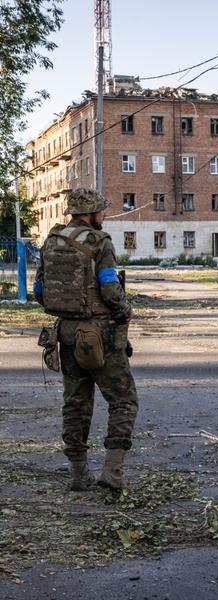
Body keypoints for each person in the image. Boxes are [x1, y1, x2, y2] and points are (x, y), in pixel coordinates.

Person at [34, 188, 138, 492]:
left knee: (75, 404)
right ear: (91, 213)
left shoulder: (51, 241)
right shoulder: (99, 242)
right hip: (100, 335)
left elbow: (40, 291)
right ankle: (113, 471)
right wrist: (124, 309)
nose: (104, 215)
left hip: (65, 333)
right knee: (123, 400)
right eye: (102, 211)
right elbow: (108, 287)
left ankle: (79, 474)